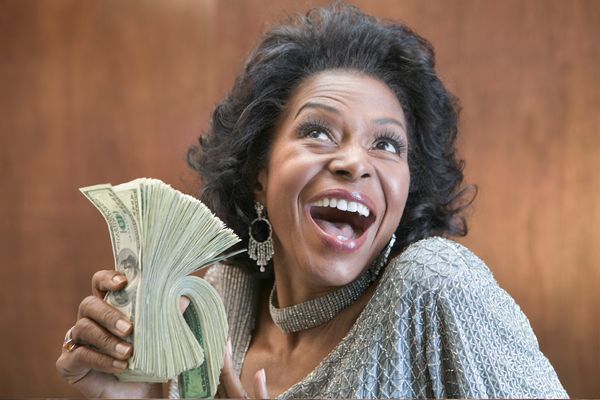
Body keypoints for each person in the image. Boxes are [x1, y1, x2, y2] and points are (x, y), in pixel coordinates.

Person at [56, 4, 568, 398]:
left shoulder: (436, 288)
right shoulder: (217, 300)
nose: (355, 161)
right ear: (260, 173)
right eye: (318, 132)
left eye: (387, 144)